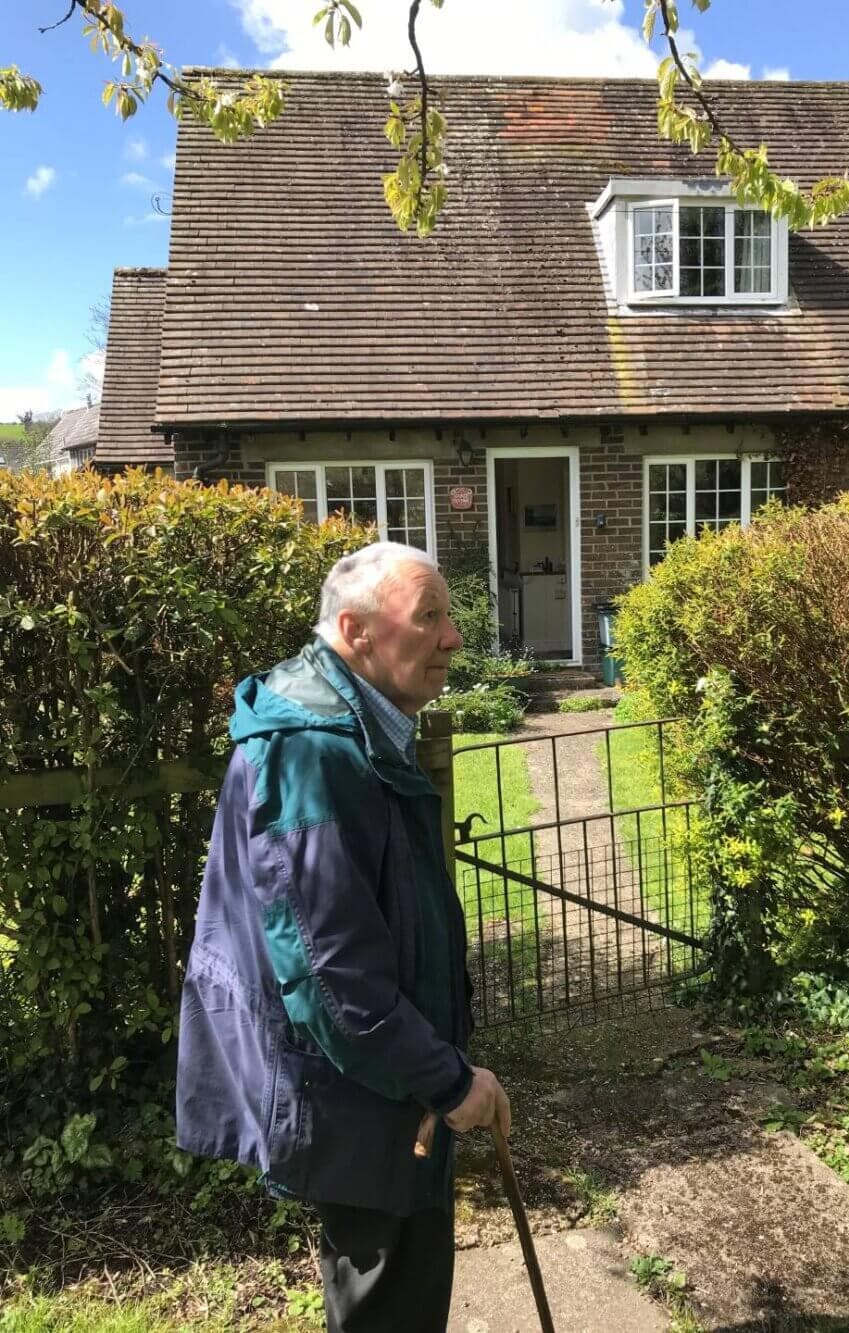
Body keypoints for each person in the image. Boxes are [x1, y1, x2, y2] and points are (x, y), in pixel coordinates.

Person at [176, 541, 511, 1333]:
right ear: (357, 631)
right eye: (429, 616)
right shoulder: (312, 751)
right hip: (364, 1096)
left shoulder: (356, 726)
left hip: (389, 1084)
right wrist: (446, 1080)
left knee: (404, 1295)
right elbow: (334, 976)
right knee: (387, 1306)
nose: (454, 637)